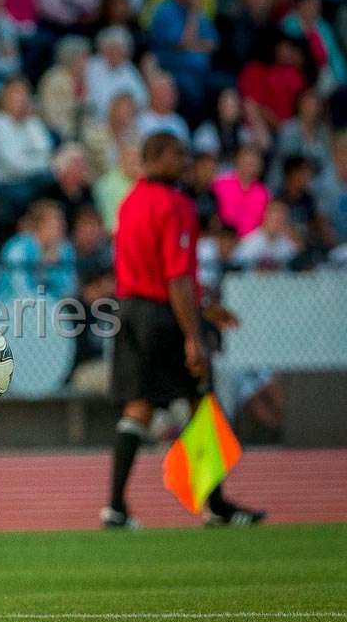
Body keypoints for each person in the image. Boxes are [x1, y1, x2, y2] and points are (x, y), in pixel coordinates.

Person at [103, 131, 265, 529]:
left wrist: (206, 306)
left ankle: (116, 508)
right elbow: (176, 278)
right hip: (163, 316)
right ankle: (217, 505)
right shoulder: (176, 205)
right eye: (179, 154)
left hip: (130, 311)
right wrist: (194, 334)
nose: (186, 161)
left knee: (139, 407)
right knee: (199, 403)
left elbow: (155, 271)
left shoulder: (129, 203)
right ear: (156, 157)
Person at [0, 199, 76, 304]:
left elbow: (69, 289)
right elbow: (19, 287)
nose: (62, 226)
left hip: (50, 305)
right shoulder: (19, 246)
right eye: (55, 221)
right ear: (39, 224)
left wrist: (52, 270)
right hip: (10, 304)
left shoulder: (64, 248)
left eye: (62, 221)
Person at [0, 76, 54, 188]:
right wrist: (41, 162)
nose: (20, 99)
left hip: (31, 179)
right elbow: (15, 166)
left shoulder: (30, 121)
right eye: (15, 94)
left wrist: (31, 120)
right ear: (4, 96)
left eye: (24, 94)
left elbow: (46, 150)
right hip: (3, 185)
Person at [85, 27, 148, 121]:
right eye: (113, 49)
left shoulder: (129, 69)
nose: (117, 54)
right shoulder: (91, 66)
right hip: (94, 120)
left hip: (123, 122)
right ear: (103, 49)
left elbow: (142, 99)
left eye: (122, 50)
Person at [38, 35, 91, 141]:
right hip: (56, 132)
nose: (87, 63)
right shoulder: (54, 78)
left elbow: (86, 109)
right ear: (72, 58)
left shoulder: (83, 78)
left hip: (79, 130)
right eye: (84, 58)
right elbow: (50, 114)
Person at [213, 145, 269, 237]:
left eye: (253, 164)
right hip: (223, 238)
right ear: (237, 162)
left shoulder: (263, 193)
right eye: (246, 163)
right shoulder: (220, 184)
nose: (249, 168)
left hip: (250, 243)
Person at [136, 72, 190, 143]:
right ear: (152, 94)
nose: (170, 97)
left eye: (172, 92)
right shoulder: (139, 121)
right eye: (164, 92)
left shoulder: (179, 123)